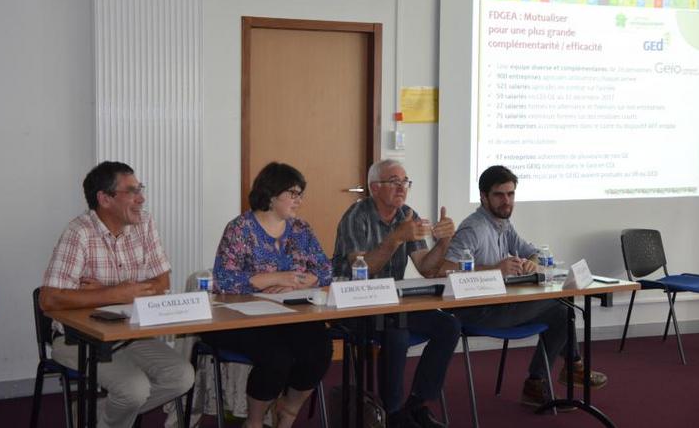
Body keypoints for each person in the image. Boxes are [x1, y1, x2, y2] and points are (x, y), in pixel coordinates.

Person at [39, 161, 194, 428]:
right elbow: (49, 299)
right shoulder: (79, 232)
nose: (141, 198)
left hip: (130, 334)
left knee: (181, 377)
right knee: (133, 390)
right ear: (105, 198)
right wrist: (117, 294)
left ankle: (93, 413)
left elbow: (162, 280)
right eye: (132, 191)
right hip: (78, 340)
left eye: (140, 189)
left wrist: (108, 292)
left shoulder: (144, 223)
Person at [443, 165, 607, 408]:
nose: (506, 201)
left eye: (511, 194)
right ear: (483, 197)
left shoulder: (503, 224)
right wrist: (494, 270)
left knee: (562, 311)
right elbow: (446, 270)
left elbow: (535, 253)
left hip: (502, 304)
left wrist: (531, 263)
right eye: (499, 195)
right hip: (478, 311)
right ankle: (570, 368)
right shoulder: (473, 228)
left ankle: (539, 381)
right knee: (560, 306)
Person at [333, 159, 460, 428]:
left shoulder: (406, 215)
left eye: (406, 182)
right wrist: (395, 239)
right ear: (375, 187)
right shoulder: (356, 216)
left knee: (448, 325)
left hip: (392, 303)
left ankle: (416, 402)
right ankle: (393, 413)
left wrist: (445, 242)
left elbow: (427, 267)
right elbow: (361, 271)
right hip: (354, 304)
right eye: (395, 181)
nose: (402, 187)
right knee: (397, 332)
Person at [209, 162, 333, 428]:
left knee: (320, 348)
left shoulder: (301, 230)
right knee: (277, 358)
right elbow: (222, 280)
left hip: (291, 313)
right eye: (293, 193)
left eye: (301, 194)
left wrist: (300, 282)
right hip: (244, 318)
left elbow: (325, 269)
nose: (298, 200)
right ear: (271, 194)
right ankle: (254, 422)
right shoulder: (240, 229)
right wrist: (274, 278)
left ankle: (288, 411)